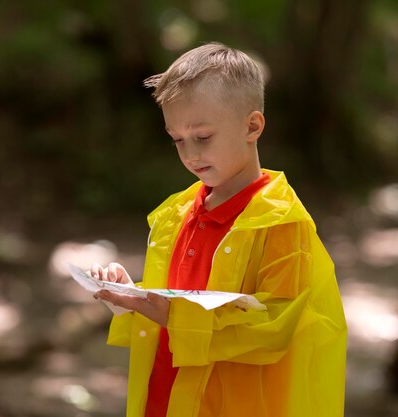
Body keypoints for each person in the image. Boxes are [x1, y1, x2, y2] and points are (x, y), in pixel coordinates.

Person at [90, 42, 347, 417]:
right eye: (177, 139)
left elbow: (273, 329)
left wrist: (167, 313)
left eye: (203, 137)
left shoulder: (281, 222)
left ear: (252, 126)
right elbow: (177, 302)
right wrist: (132, 296)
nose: (190, 154)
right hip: (165, 399)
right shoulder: (178, 213)